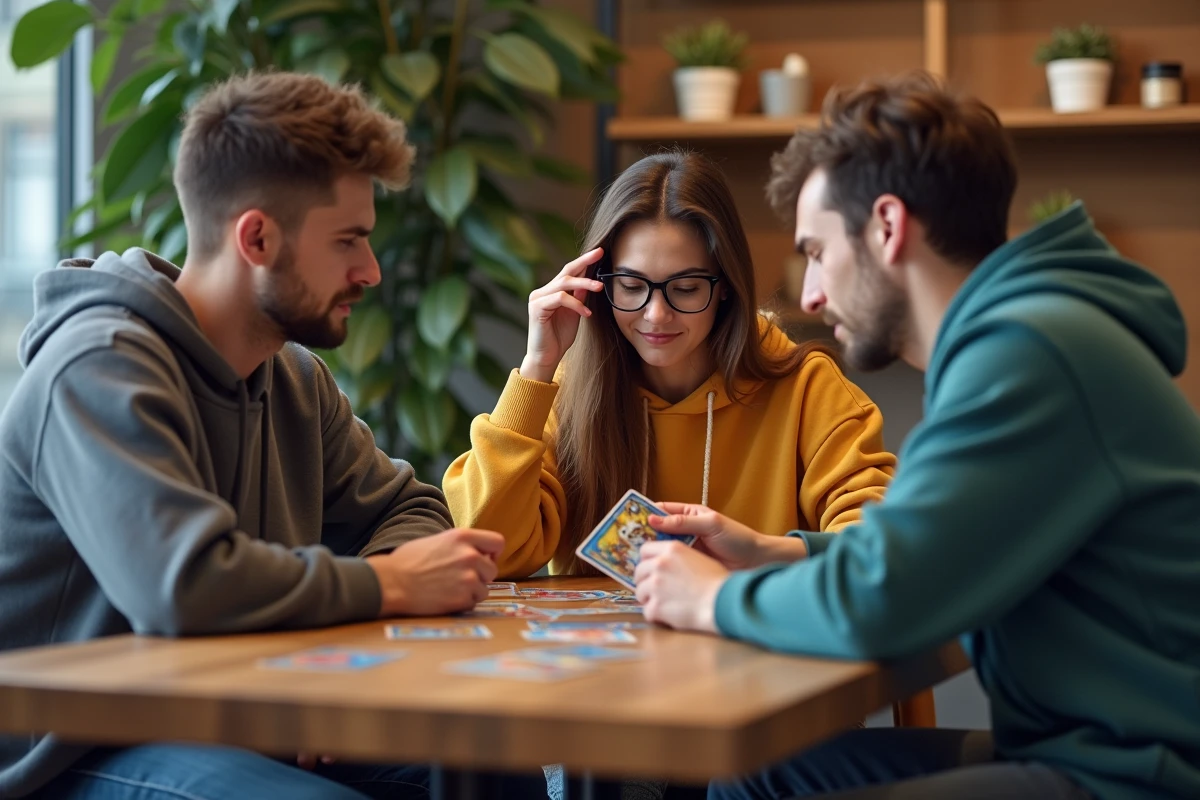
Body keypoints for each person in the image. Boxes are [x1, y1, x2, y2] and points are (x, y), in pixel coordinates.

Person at [633, 71, 1200, 800]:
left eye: (815, 251)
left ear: (888, 227)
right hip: (1094, 747)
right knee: (757, 776)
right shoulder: (1034, 336)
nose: (807, 294)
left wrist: (708, 601)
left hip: (1133, 775)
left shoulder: (1030, 354)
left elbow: (884, 600)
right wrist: (779, 551)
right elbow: (928, 552)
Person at [0, 72, 508, 799]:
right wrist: (389, 583)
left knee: (485, 765)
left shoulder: (292, 377)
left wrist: (321, 681)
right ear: (258, 237)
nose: (370, 271)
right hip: (65, 752)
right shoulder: (96, 365)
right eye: (348, 241)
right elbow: (185, 586)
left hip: (226, 710)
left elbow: (410, 507)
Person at [443, 151, 896, 579]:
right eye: (632, 285)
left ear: (724, 287)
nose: (656, 315)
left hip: (750, 648)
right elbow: (490, 549)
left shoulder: (804, 384)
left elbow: (878, 543)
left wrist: (762, 552)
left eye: (685, 288)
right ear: (599, 285)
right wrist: (537, 367)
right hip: (605, 658)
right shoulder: (568, 391)